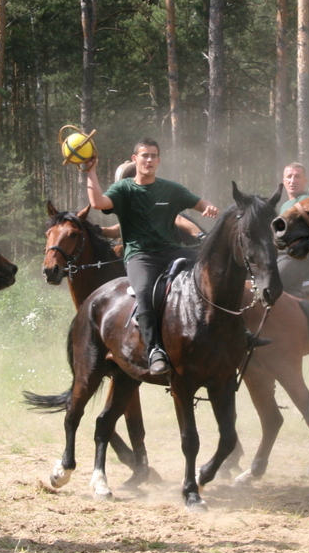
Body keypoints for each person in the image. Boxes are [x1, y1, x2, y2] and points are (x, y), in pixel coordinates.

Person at [82, 138, 218, 375]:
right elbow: (97, 202)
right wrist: (91, 171)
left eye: (153, 156)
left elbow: (198, 202)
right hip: (140, 256)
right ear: (135, 159)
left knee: (214, 269)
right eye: (144, 155)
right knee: (143, 291)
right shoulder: (124, 189)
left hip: (172, 250)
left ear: (158, 160)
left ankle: (236, 330)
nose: (149, 160)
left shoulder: (171, 189)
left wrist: (209, 207)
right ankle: (155, 349)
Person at [275, 163, 309, 297]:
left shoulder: (307, 201)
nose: (292, 180)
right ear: (284, 181)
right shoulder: (284, 205)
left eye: (297, 176)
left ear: (305, 181)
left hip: (302, 257)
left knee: (274, 282)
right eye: (289, 177)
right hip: (284, 256)